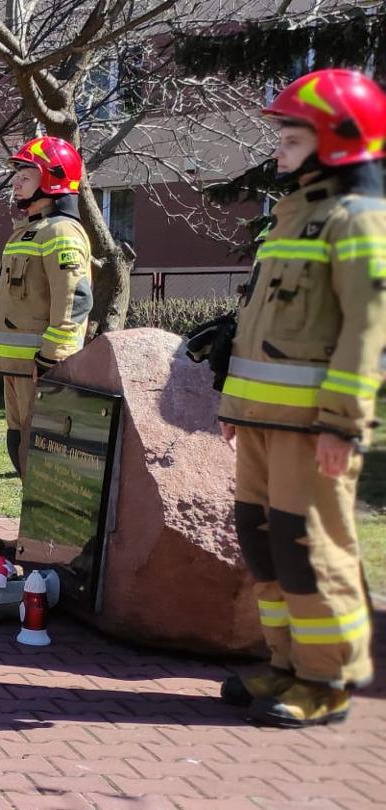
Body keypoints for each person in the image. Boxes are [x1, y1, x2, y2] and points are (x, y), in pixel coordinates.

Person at [213, 68, 385, 728]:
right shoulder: (291, 219)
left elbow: (368, 333)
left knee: (312, 551)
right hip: (261, 424)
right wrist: (234, 405)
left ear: (339, 138)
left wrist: (342, 426)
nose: (278, 146)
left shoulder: (359, 220)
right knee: (267, 548)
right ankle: (286, 664)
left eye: (291, 134)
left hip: (313, 430)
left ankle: (328, 680)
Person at [0, 136, 93, 474]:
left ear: (52, 179)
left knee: (46, 458)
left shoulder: (61, 231)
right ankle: (32, 527)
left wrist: (53, 358)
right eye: (16, 173)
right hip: (16, 367)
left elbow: (75, 298)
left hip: (41, 368)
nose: (16, 181)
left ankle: (48, 528)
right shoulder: (28, 231)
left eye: (26, 175)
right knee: (20, 447)